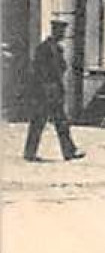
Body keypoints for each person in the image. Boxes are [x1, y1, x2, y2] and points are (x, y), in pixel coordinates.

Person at [22, 19, 84, 163]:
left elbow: (62, 67)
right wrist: (44, 87)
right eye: (61, 32)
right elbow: (39, 70)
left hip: (55, 92)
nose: (63, 34)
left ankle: (69, 151)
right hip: (44, 93)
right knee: (38, 122)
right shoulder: (43, 48)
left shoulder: (58, 49)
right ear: (55, 31)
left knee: (61, 122)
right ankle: (30, 152)